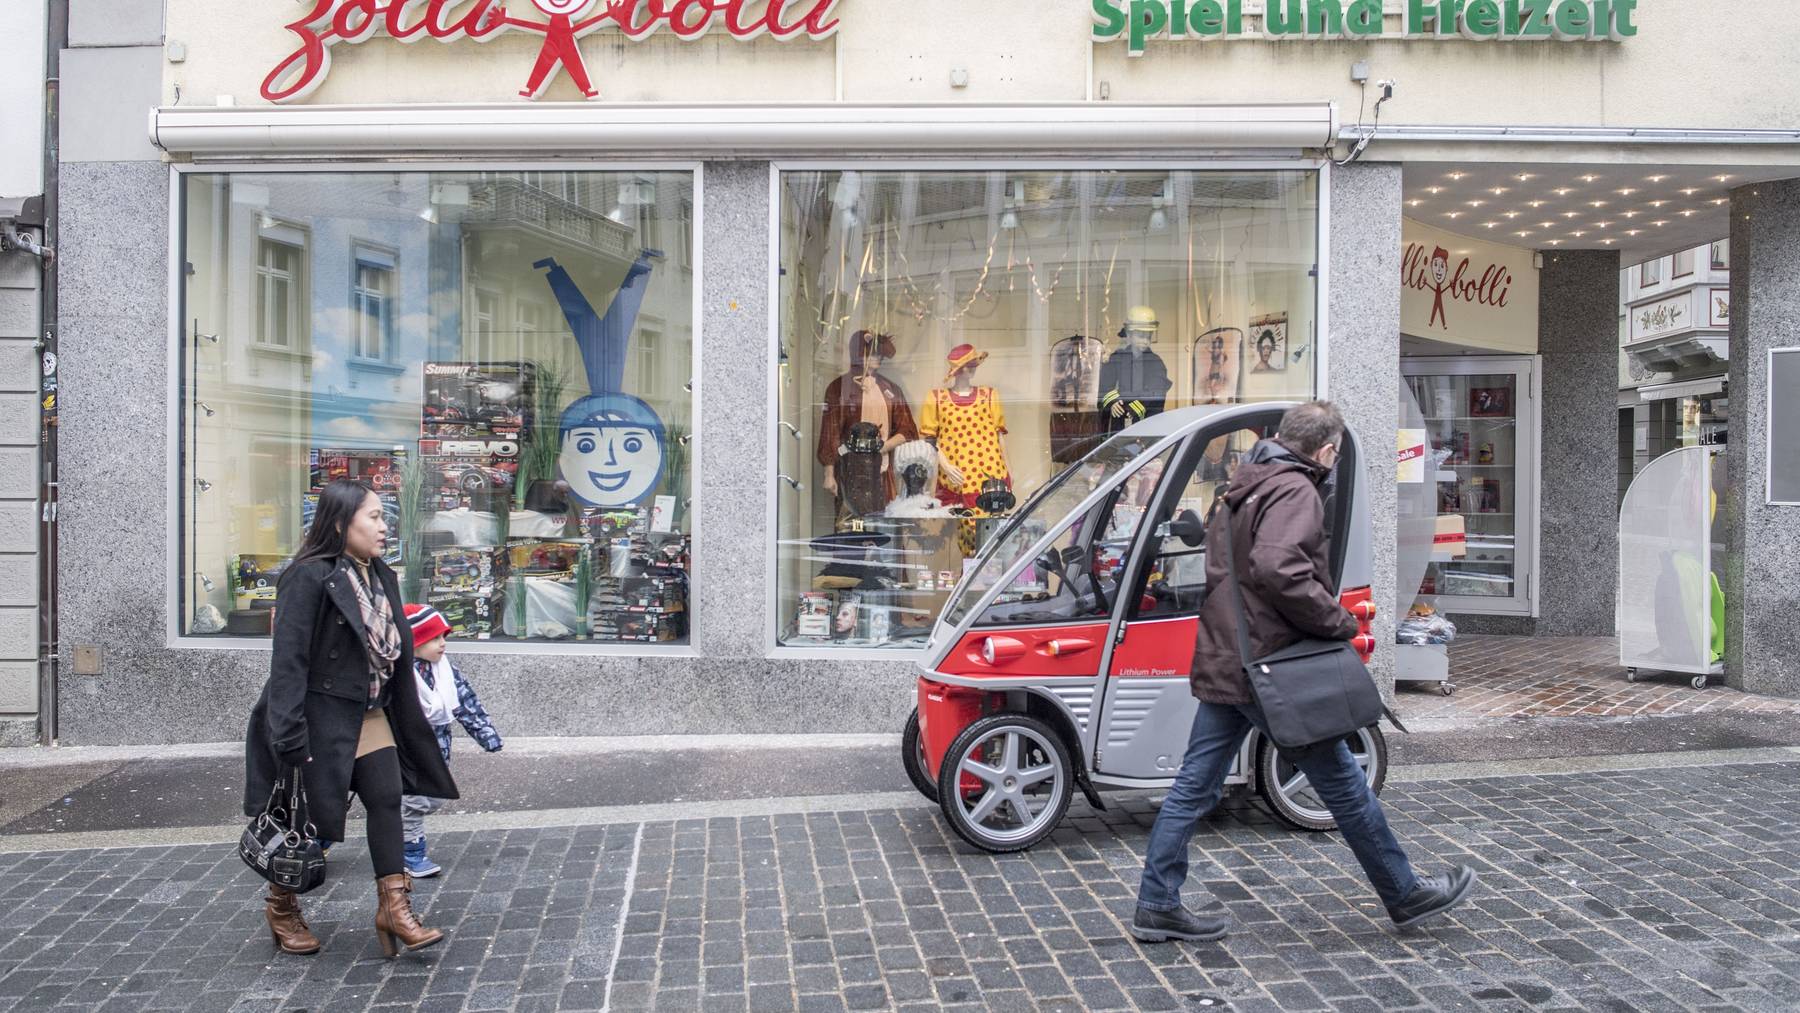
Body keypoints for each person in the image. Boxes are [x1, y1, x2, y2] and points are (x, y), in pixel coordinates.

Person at [1131, 401, 1478, 943]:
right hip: (1272, 669)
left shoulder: (1243, 486)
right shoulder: (1294, 490)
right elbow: (1278, 568)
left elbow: (1233, 572)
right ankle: (1404, 893)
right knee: (1344, 784)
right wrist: (1334, 620)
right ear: (1326, 450)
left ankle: (1156, 901)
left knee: (1193, 786)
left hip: (1232, 659)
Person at [243, 479, 459, 958]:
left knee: (386, 798)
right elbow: (289, 660)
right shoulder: (309, 575)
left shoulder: (380, 574)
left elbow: (393, 649)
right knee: (311, 819)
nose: (385, 526)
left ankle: (395, 909)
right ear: (341, 522)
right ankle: (281, 905)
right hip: (318, 717)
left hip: (371, 711)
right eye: (375, 517)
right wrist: (289, 731)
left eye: (383, 517)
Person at [398, 603, 504, 878]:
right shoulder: (398, 675)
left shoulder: (445, 671)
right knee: (414, 802)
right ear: (414, 642)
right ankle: (411, 853)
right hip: (405, 752)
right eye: (434, 638)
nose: (442, 644)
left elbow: (466, 704)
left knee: (431, 799)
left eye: (444, 636)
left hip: (437, 750)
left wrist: (486, 734)